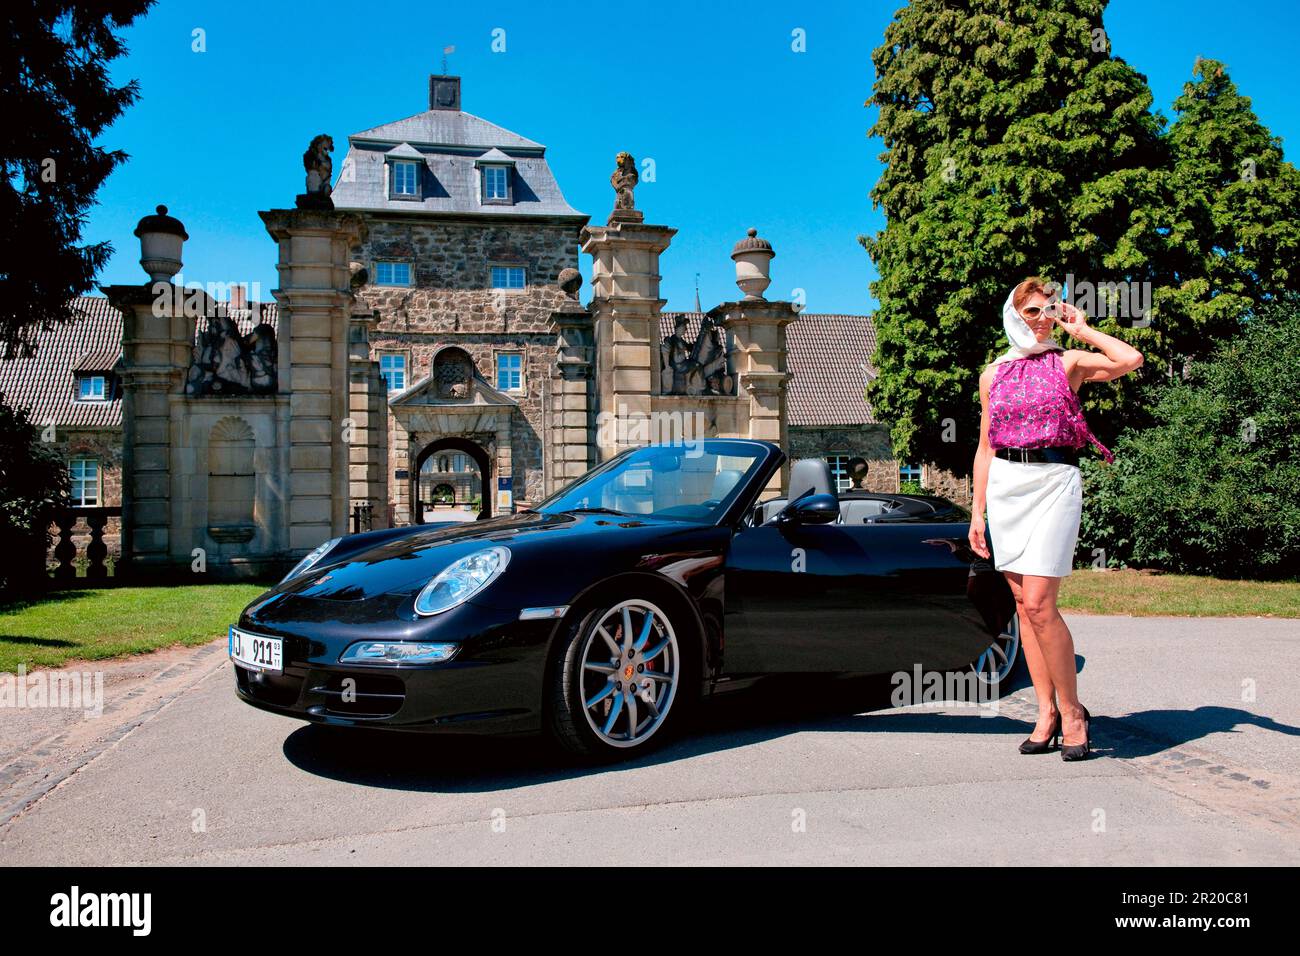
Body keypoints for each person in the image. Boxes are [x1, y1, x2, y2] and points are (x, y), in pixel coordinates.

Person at [968, 278, 1143, 760]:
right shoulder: (993, 374)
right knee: (1024, 606)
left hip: (1054, 483)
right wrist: (977, 512)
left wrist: (1083, 330)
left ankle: (1072, 713)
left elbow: (1130, 360)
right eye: (1031, 312)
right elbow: (985, 447)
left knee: (1042, 602)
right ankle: (1044, 713)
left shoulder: (1067, 361)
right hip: (1006, 486)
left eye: (1048, 310)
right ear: (1013, 314)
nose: (1042, 319)